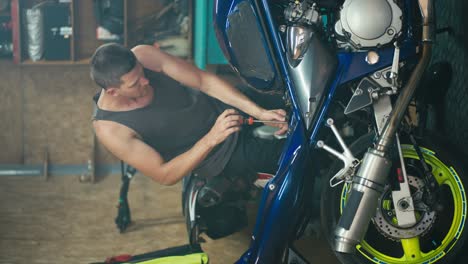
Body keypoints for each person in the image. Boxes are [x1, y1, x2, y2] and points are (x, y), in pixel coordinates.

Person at [90, 42, 288, 211]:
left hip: (226, 106)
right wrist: (212, 138)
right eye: (135, 83)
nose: (146, 80)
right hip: (219, 154)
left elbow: (204, 82)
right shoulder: (111, 130)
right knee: (295, 153)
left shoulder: (144, 55)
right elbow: (164, 174)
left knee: (291, 103)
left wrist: (259, 112)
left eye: (142, 72)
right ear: (113, 92)